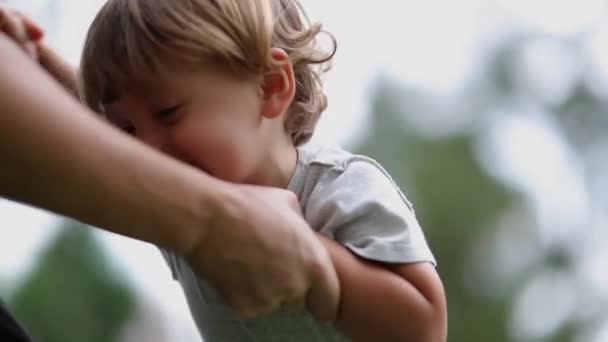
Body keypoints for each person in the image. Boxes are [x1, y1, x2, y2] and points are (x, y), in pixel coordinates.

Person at [5, 1, 448, 340]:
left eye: (168, 112)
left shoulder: (339, 190)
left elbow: (423, 323)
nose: (145, 148)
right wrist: (34, 63)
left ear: (270, 86)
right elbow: (97, 141)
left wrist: (310, 263)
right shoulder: (180, 199)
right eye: (127, 127)